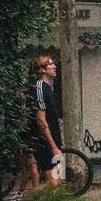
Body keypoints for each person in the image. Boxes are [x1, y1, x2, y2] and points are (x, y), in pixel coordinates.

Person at [28, 54, 63, 186]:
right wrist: (53, 147)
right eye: (50, 64)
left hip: (56, 142)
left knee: (60, 182)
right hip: (46, 144)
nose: (54, 66)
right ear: (42, 70)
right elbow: (41, 121)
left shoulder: (49, 88)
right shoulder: (39, 88)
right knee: (53, 183)